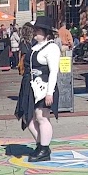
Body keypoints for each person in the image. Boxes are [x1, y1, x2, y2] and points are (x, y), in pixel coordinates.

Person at [16, 17, 60, 161]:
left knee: (42, 117)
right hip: (29, 86)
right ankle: (41, 144)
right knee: (27, 117)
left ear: (46, 33)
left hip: (44, 86)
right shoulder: (35, 46)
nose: (35, 33)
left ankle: (44, 148)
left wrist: (50, 92)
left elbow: (54, 71)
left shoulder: (52, 47)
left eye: (38, 30)